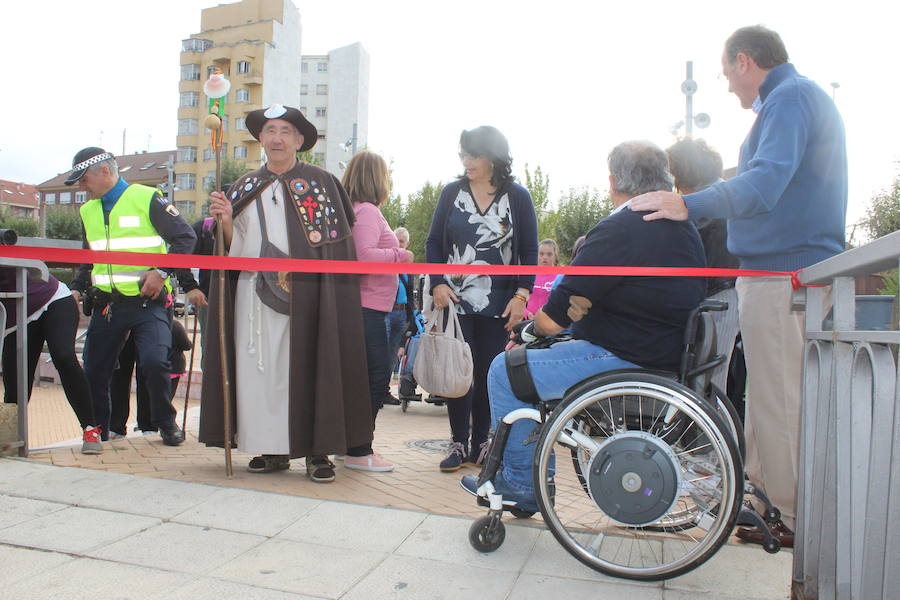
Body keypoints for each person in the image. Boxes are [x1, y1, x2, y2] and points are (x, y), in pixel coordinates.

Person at [629, 25, 847, 546]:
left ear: (745, 61)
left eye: (727, 72)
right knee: (770, 394)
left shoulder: (789, 98)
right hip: (781, 270)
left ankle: (790, 516)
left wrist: (691, 202)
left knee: (780, 399)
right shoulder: (797, 99)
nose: (727, 85)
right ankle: (768, 501)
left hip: (781, 272)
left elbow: (767, 180)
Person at [461, 140, 706, 510]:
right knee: (527, 366)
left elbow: (557, 315)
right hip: (665, 346)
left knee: (503, 370)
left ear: (613, 181)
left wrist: (529, 331)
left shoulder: (621, 228)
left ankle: (520, 482)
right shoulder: (681, 227)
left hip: (627, 353)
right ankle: (530, 471)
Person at [199, 104, 373, 483]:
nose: (277, 138)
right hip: (253, 295)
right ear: (260, 138)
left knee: (312, 365)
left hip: (310, 298)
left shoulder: (323, 184)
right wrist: (225, 222)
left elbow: (336, 251)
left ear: (299, 140)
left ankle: (316, 451)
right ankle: (271, 447)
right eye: (270, 131)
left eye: (285, 131)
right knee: (259, 372)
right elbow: (232, 247)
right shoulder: (242, 186)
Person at [66, 147, 205, 447]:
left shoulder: (146, 197)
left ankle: (165, 423)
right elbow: (88, 256)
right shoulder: (87, 210)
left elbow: (185, 237)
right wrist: (77, 287)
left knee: (155, 362)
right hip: (107, 306)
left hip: (148, 302)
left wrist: (161, 271)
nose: (81, 187)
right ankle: (99, 430)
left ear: (104, 171)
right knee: (94, 368)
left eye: (83, 179)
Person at [426, 125, 538, 472]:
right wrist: (437, 283)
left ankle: (483, 442)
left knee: (489, 371)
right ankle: (458, 441)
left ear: (492, 156)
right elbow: (434, 243)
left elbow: (529, 250)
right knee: (458, 370)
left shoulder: (517, 196)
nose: (466, 161)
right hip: (455, 300)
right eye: (463, 154)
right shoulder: (451, 193)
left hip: (499, 300)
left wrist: (522, 295)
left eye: (472, 154)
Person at [342, 151, 413, 471]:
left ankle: (354, 446)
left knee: (368, 378)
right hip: (367, 307)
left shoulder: (359, 210)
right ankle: (359, 449)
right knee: (374, 379)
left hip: (366, 306)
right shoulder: (368, 212)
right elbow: (363, 255)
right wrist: (400, 255)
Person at [666, 138, 741, 396]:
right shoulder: (721, 194)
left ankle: (709, 432)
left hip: (718, 296)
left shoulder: (704, 203)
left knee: (710, 376)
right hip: (725, 291)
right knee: (714, 373)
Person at [0, 269, 101, 454]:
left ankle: (91, 430)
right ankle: (10, 440)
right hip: (17, 319)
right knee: (15, 385)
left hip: (53, 300)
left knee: (63, 357)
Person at [383, 226, 414, 406]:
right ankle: (376, 391)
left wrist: (410, 319)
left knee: (392, 355)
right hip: (386, 310)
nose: (399, 244)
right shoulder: (388, 259)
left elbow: (410, 293)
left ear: (407, 244)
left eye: (401, 241)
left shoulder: (407, 266)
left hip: (401, 313)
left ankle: (384, 391)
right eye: (396, 240)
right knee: (380, 352)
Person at [525, 239, 559, 317]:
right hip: (529, 321)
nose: (545, 257)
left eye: (549, 254)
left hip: (551, 322)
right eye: (541, 254)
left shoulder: (560, 276)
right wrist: (526, 313)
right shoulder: (529, 274)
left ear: (555, 256)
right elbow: (520, 298)